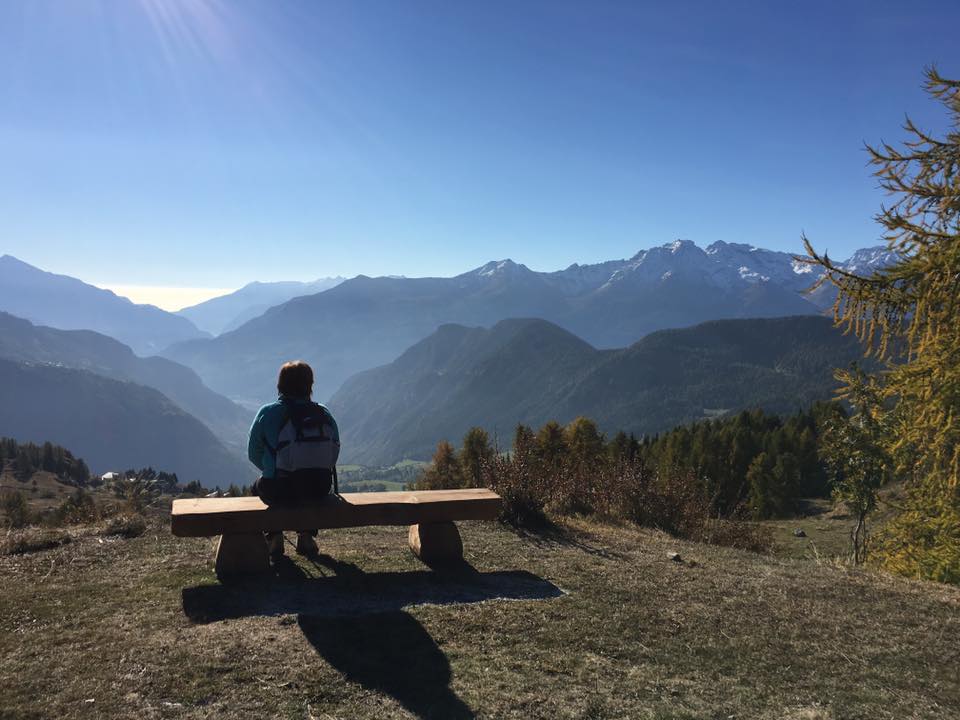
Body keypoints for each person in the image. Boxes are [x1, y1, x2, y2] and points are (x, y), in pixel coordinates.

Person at [247, 360, 340, 559]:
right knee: (307, 488)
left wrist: (271, 468)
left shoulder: (268, 412)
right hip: (319, 488)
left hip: (279, 488)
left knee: (257, 486)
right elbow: (334, 451)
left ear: (280, 385)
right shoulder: (323, 413)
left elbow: (253, 453)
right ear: (310, 385)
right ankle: (306, 535)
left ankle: (274, 536)